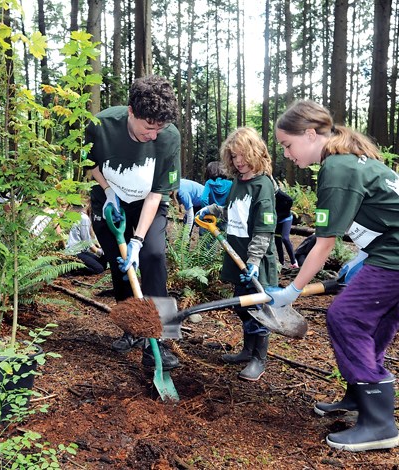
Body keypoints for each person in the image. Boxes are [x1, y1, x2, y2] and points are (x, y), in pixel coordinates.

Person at [268, 100, 399, 452]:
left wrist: (292, 289)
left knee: (347, 315)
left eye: (288, 145)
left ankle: (380, 423)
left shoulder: (337, 169)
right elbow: (379, 214)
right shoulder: (347, 161)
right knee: (376, 312)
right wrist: (362, 258)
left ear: (309, 134)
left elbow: (323, 244)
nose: (287, 154)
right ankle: (358, 395)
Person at [86, 75, 181, 370]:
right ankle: (133, 329)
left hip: (147, 204)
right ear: (131, 111)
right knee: (119, 263)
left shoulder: (170, 137)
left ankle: (161, 342)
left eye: (159, 128)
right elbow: (88, 162)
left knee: (152, 256)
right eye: (148, 128)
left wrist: (138, 240)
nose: (153, 135)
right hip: (109, 202)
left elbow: (156, 194)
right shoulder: (101, 125)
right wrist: (107, 190)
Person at [197, 127, 278, 382]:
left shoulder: (262, 185)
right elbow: (232, 210)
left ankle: (259, 359)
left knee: (258, 310)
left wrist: (253, 262)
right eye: (233, 156)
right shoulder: (237, 182)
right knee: (243, 308)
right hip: (237, 257)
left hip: (256, 262)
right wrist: (212, 209)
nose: (238, 161)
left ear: (255, 152)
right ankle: (247, 350)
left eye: (242, 155)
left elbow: (264, 229)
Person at [65, 204, 107, 275]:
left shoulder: (83, 217)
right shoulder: (84, 218)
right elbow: (86, 241)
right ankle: (74, 270)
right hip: (75, 252)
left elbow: (92, 234)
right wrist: (98, 251)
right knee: (99, 269)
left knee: (103, 265)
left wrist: (100, 246)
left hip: (82, 251)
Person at [274, 185, 298, 269]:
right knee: (277, 240)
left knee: (285, 238)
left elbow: (290, 200)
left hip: (286, 218)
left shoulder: (278, 193)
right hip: (277, 220)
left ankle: (294, 261)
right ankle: (281, 262)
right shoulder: (267, 196)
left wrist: (285, 211)